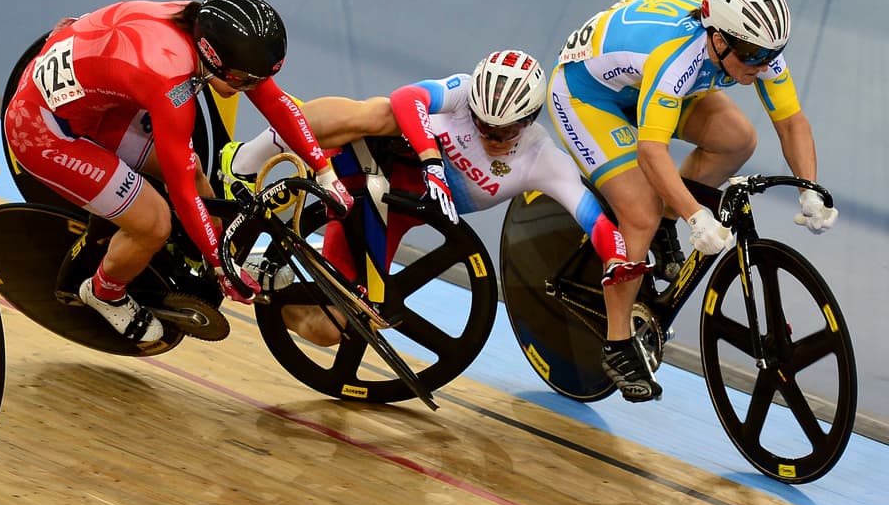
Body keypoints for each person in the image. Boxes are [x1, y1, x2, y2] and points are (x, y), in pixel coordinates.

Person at [221, 49, 649, 347]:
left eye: (502, 132)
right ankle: (244, 158)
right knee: (381, 111)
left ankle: (268, 285)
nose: (489, 136)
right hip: (365, 156)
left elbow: (593, 217)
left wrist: (614, 259)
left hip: (388, 210)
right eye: (481, 124)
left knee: (333, 328)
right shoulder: (464, 92)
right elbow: (410, 99)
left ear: (529, 120)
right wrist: (432, 162)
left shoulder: (544, 161)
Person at [547, 0, 837, 402]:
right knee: (641, 210)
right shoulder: (677, 60)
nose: (762, 66)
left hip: (645, 86)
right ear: (718, 40)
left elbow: (791, 121)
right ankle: (617, 340)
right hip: (589, 98)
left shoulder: (754, 46)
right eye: (753, 56)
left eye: (771, 55)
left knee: (738, 139)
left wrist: (809, 187)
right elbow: (651, 151)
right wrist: (694, 214)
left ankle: (660, 232)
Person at [3, 0, 353, 343]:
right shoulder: (169, 80)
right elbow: (183, 191)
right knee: (154, 223)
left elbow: (274, 101)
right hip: (42, 129)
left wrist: (326, 173)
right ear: (213, 59)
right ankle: (103, 292)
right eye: (244, 81)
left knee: (195, 167)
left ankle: (215, 250)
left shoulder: (205, 27)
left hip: (98, 104)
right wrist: (221, 269)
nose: (251, 88)